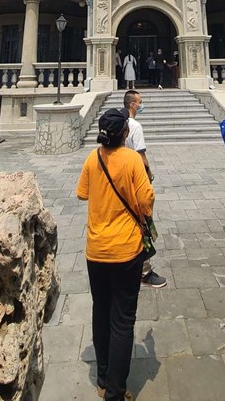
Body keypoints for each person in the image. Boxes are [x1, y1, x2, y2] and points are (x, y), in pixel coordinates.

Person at [77, 108, 155, 401]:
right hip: (126, 250)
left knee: (101, 312)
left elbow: (82, 193)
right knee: (122, 320)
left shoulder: (92, 157)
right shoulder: (132, 159)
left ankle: (102, 379)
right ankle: (115, 392)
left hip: (96, 249)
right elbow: (146, 201)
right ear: (125, 133)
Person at [123, 89, 167, 289]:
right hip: (136, 180)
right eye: (139, 102)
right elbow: (141, 156)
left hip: (121, 180)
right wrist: (149, 175)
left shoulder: (121, 125)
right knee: (143, 223)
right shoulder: (135, 126)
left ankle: (125, 262)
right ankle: (145, 270)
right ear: (133, 104)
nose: (141, 105)